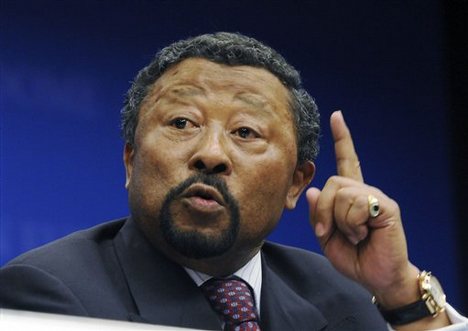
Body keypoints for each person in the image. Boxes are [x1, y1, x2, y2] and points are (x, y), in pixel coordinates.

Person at [0, 32, 466, 330]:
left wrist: (400, 292)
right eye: (182, 122)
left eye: (246, 132)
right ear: (130, 160)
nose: (211, 154)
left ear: (295, 184)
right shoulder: (49, 294)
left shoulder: (344, 296)